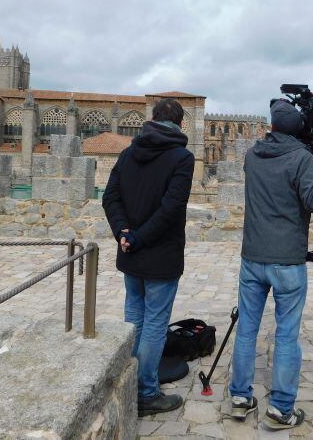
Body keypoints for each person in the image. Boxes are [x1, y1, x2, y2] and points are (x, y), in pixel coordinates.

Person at [229, 99, 313, 430]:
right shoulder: (301, 158)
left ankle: (240, 397)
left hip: (252, 258)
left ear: (271, 126)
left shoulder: (252, 155)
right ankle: (281, 409)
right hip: (287, 262)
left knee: (246, 329)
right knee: (286, 335)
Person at [102, 98, 195, 417]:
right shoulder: (182, 158)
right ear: (181, 125)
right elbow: (171, 208)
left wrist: (123, 233)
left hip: (131, 253)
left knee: (135, 318)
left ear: (152, 119)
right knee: (154, 323)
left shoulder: (128, 153)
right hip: (160, 257)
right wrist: (136, 237)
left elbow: (110, 196)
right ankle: (146, 393)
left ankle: (131, 385)